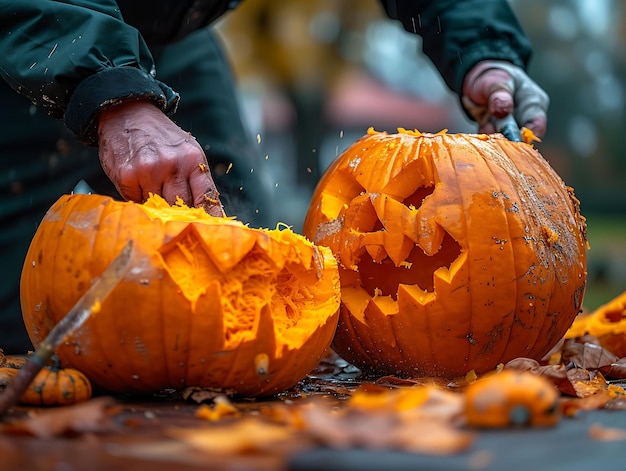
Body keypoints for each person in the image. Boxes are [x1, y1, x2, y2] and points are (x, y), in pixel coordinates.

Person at [0, 0, 549, 354]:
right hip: (34, 28)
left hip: (168, 38)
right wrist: (109, 91)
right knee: (14, 317)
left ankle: (223, 372)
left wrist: (483, 53)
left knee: (239, 246)